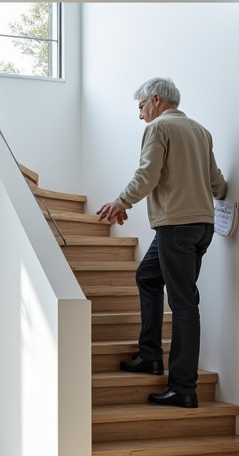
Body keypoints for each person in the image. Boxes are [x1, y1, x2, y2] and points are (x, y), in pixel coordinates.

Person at [97, 77, 227, 409]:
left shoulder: (159, 128)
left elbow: (147, 175)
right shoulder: (201, 132)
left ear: (156, 99)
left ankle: (183, 388)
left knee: (184, 305)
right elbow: (217, 183)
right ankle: (150, 355)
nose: (140, 114)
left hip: (175, 226)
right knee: (147, 276)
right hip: (202, 226)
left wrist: (121, 202)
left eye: (141, 106)